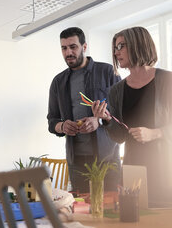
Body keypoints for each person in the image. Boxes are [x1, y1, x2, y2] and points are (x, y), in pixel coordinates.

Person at [92, 26, 172, 204]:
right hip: (135, 172)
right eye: (115, 48)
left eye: (121, 46)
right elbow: (120, 137)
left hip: (170, 170)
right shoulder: (117, 91)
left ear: (138, 44)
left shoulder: (171, 80)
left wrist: (155, 133)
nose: (116, 52)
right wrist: (107, 119)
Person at [47, 27, 121, 193]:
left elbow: (122, 113)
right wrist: (63, 125)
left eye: (73, 46)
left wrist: (99, 120)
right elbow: (52, 121)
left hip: (108, 158)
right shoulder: (58, 82)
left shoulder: (108, 72)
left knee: (112, 209)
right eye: (64, 48)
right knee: (81, 210)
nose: (68, 52)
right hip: (77, 161)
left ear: (84, 47)